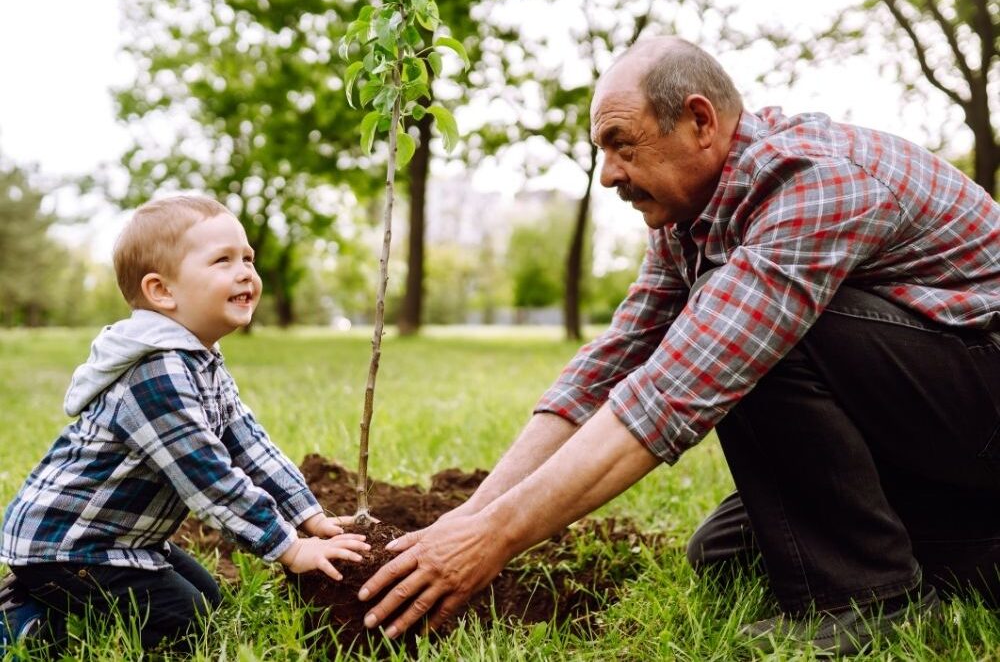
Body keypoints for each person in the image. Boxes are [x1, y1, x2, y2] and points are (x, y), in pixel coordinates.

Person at [357, 36, 1000, 654]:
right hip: (935, 425)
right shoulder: (691, 217)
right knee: (723, 551)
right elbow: (611, 366)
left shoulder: (815, 183)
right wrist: (471, 516)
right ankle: (969, 551)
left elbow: (674, 388)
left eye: (621, 144)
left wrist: (491, 542)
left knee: (751, 339)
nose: (608, 174)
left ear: (699, 121)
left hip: (983, 403)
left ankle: (870, 603)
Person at [0, 195, 370, 653]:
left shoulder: (200, 359)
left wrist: (307, 515)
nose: (245, 272)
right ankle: (21, 621)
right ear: (162, 292)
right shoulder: (156, 373)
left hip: (123, 538)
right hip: (68, 546)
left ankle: (49, 602)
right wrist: (289, 548)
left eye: (247, 258)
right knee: (189, 624)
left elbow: (247, 443)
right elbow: (209, 478)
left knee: (210, 602)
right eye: (222, 260)